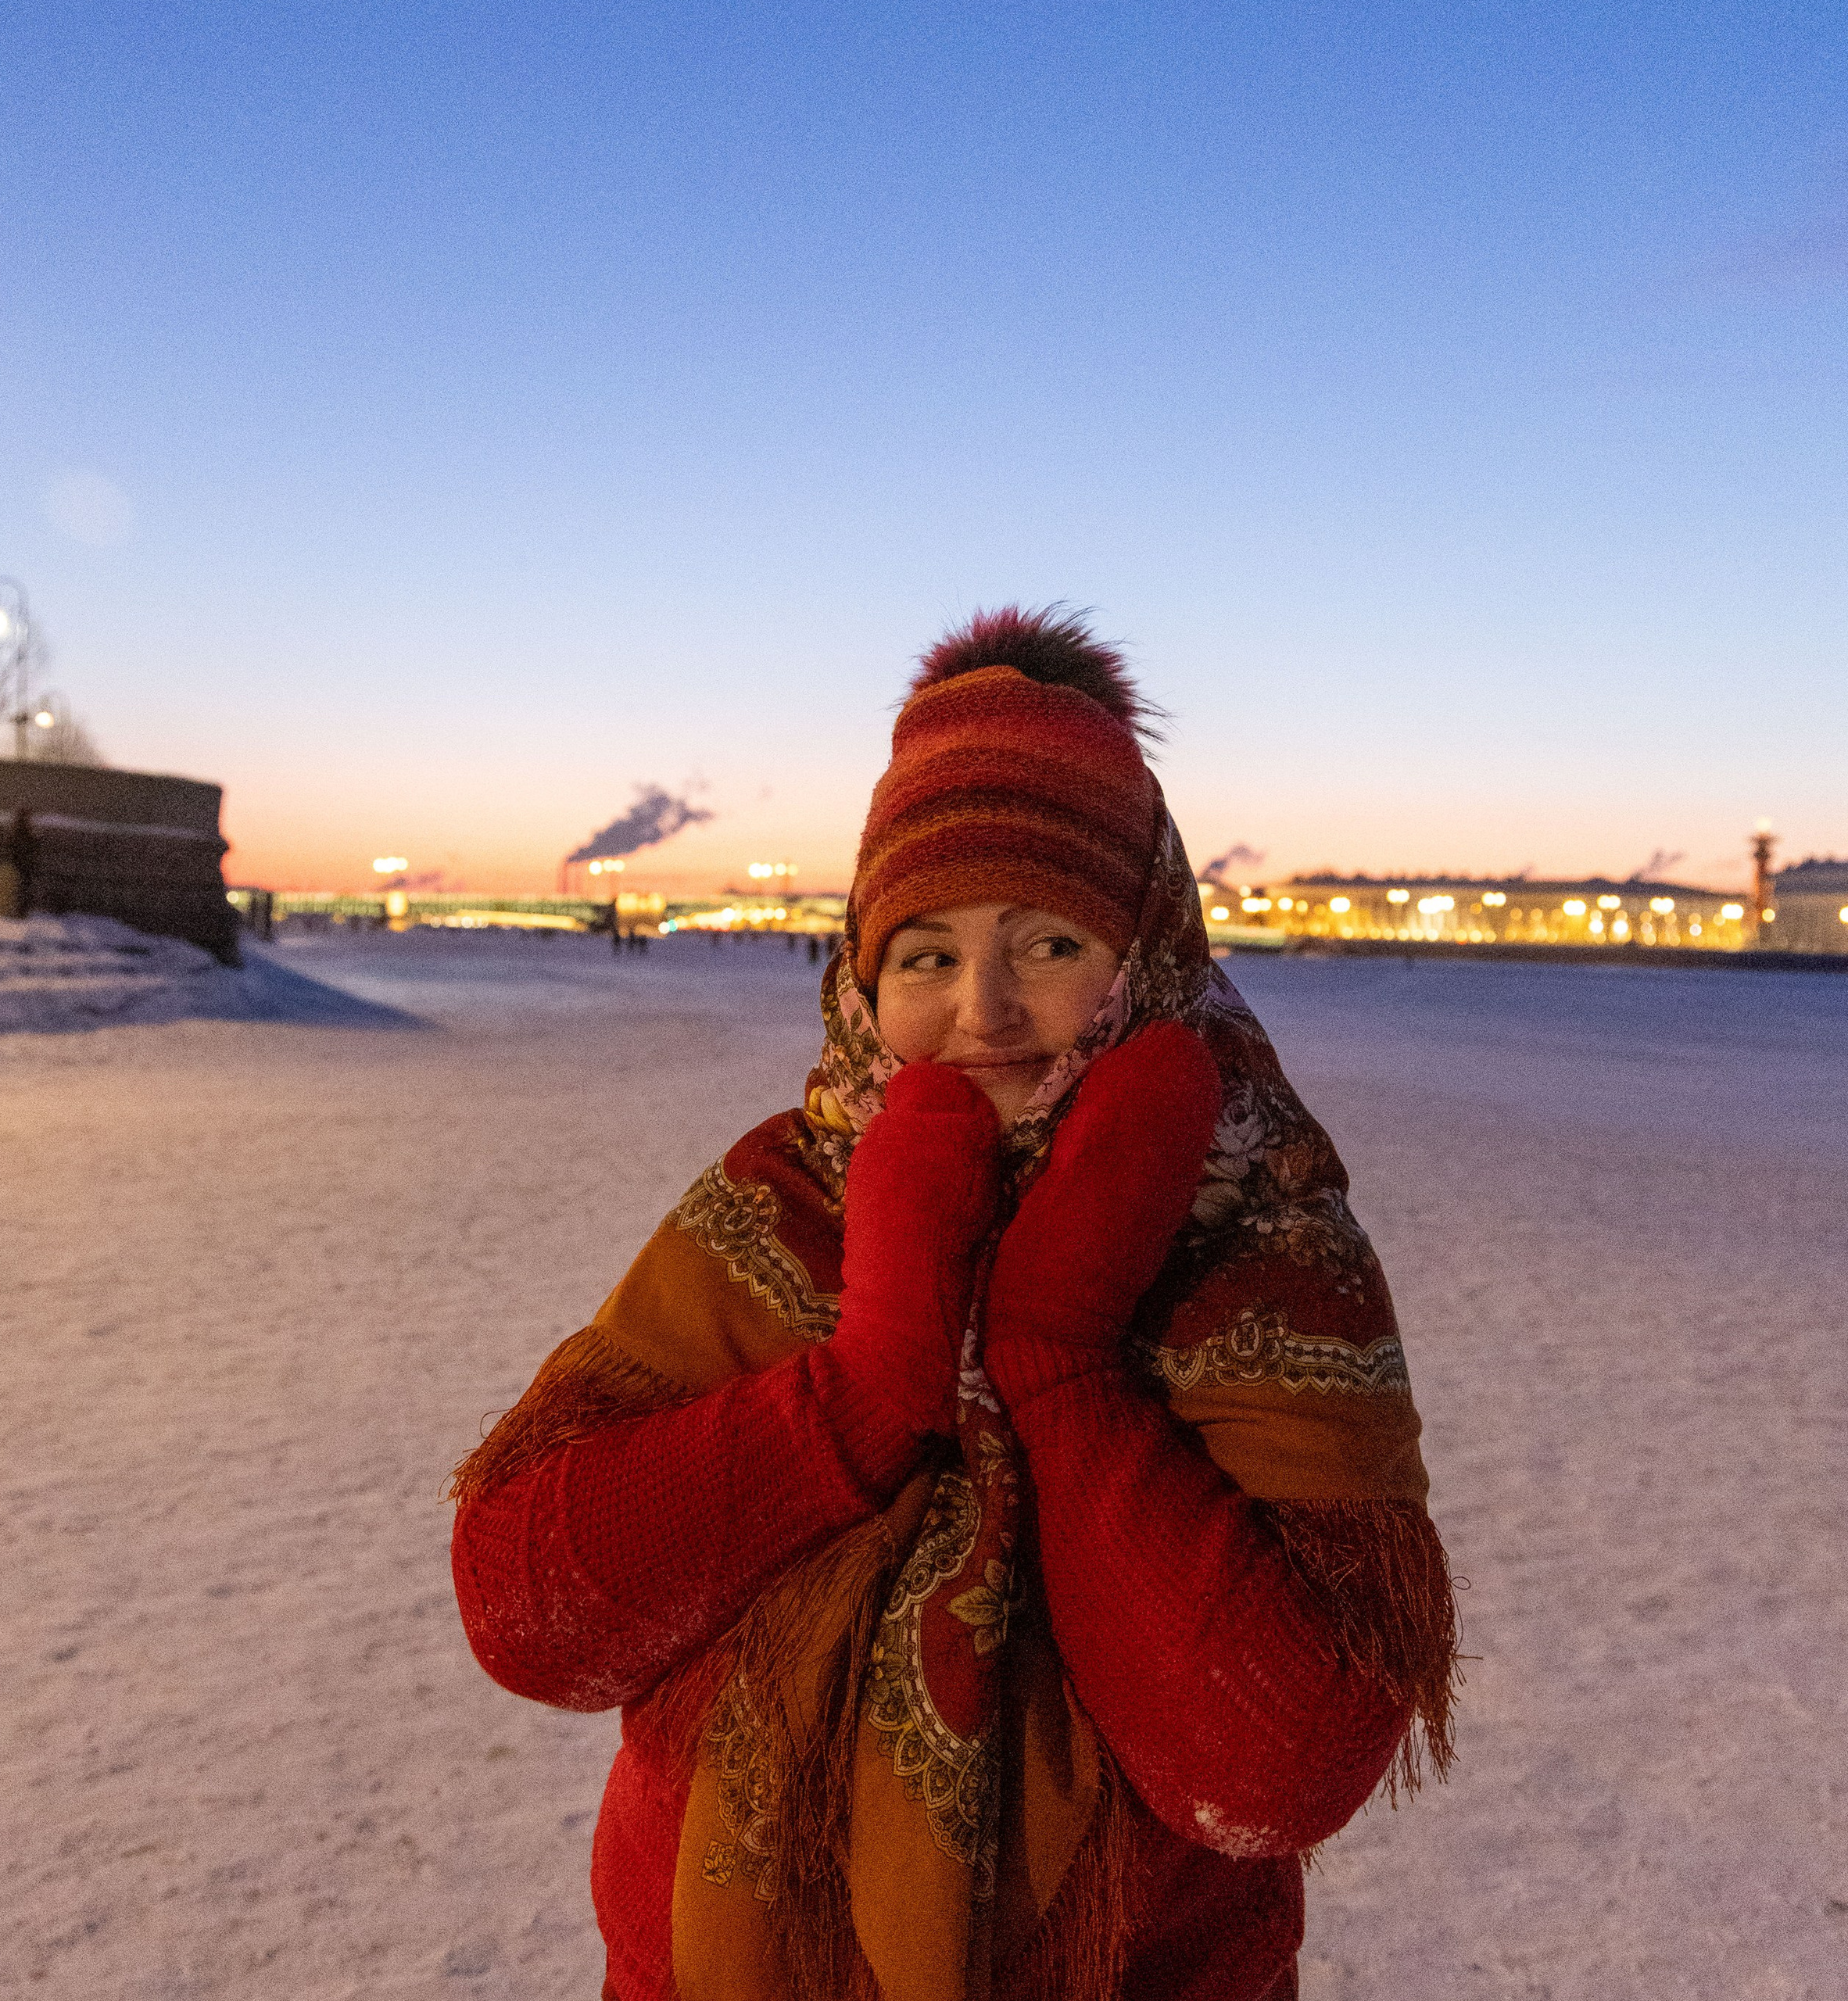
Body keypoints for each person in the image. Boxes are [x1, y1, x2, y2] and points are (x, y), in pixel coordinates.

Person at [451, 608, 1458, 2001]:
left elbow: (1275, 1768)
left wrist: (1059, 1363)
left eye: (1048, 944)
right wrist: (859, 1392)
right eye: (926, 955)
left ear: (1147, 952)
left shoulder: (1261, 1234)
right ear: (863, 982)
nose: (984, 1009)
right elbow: (533, 1617)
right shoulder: (781, 1201)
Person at [0, 807, 41, 919]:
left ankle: (12, 910)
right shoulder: (29, 831)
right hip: (24, 864)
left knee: (15, 888)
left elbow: (10, 847)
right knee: (23, 887)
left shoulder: (14, 830)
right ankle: (20, 912)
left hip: (15, 864)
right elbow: (32, 847)